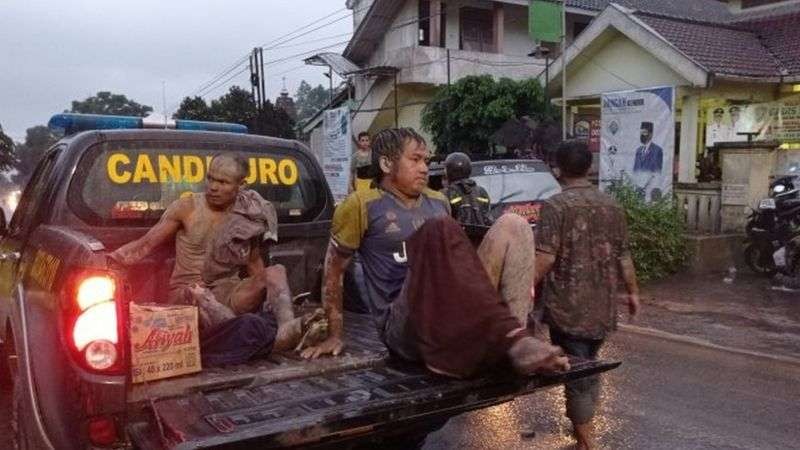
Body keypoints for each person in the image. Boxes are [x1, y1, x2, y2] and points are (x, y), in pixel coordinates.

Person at [301, 127, 568, 379]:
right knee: (437, 230)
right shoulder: (360, 205)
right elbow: (333, 270)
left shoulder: (439, 201)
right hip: (404, 325)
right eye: (415, 160)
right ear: (385, 164)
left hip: (448, 312)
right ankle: (506, 342)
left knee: (515, 225)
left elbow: (456, 270)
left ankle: (511, 342)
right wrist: (334, 335)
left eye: (426, 160)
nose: (424, 168)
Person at [111, 153, 317, 366]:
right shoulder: (187, 207)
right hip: (189, 294)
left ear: (241, 185)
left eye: (223, 182)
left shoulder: (248, 215)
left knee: (276, 271)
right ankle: (262, 340)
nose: (213, 187)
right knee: (202, 294)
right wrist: (111, 261)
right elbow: (144, 245)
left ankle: (287, 331)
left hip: (228, 290)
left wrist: (266, 296)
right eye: (210, 178)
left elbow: (254, 264)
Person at [534, 140, 641, 450]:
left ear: (558, 170)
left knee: (578, 374)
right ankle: (583, 435)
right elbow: (624, 256)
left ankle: (588, 441)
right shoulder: (612, 205)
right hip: (603, 308)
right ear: (589, 167)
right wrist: (634, 293)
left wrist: (523, 290)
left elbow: (545, 258)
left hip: (568, 308)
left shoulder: (556, 206)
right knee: (590, 364)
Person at [442, 152, 494, 227]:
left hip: (457, 236)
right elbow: (487, 217)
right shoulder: (481, 191)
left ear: (447, 172)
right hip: (482, 236)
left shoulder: (445, 194)